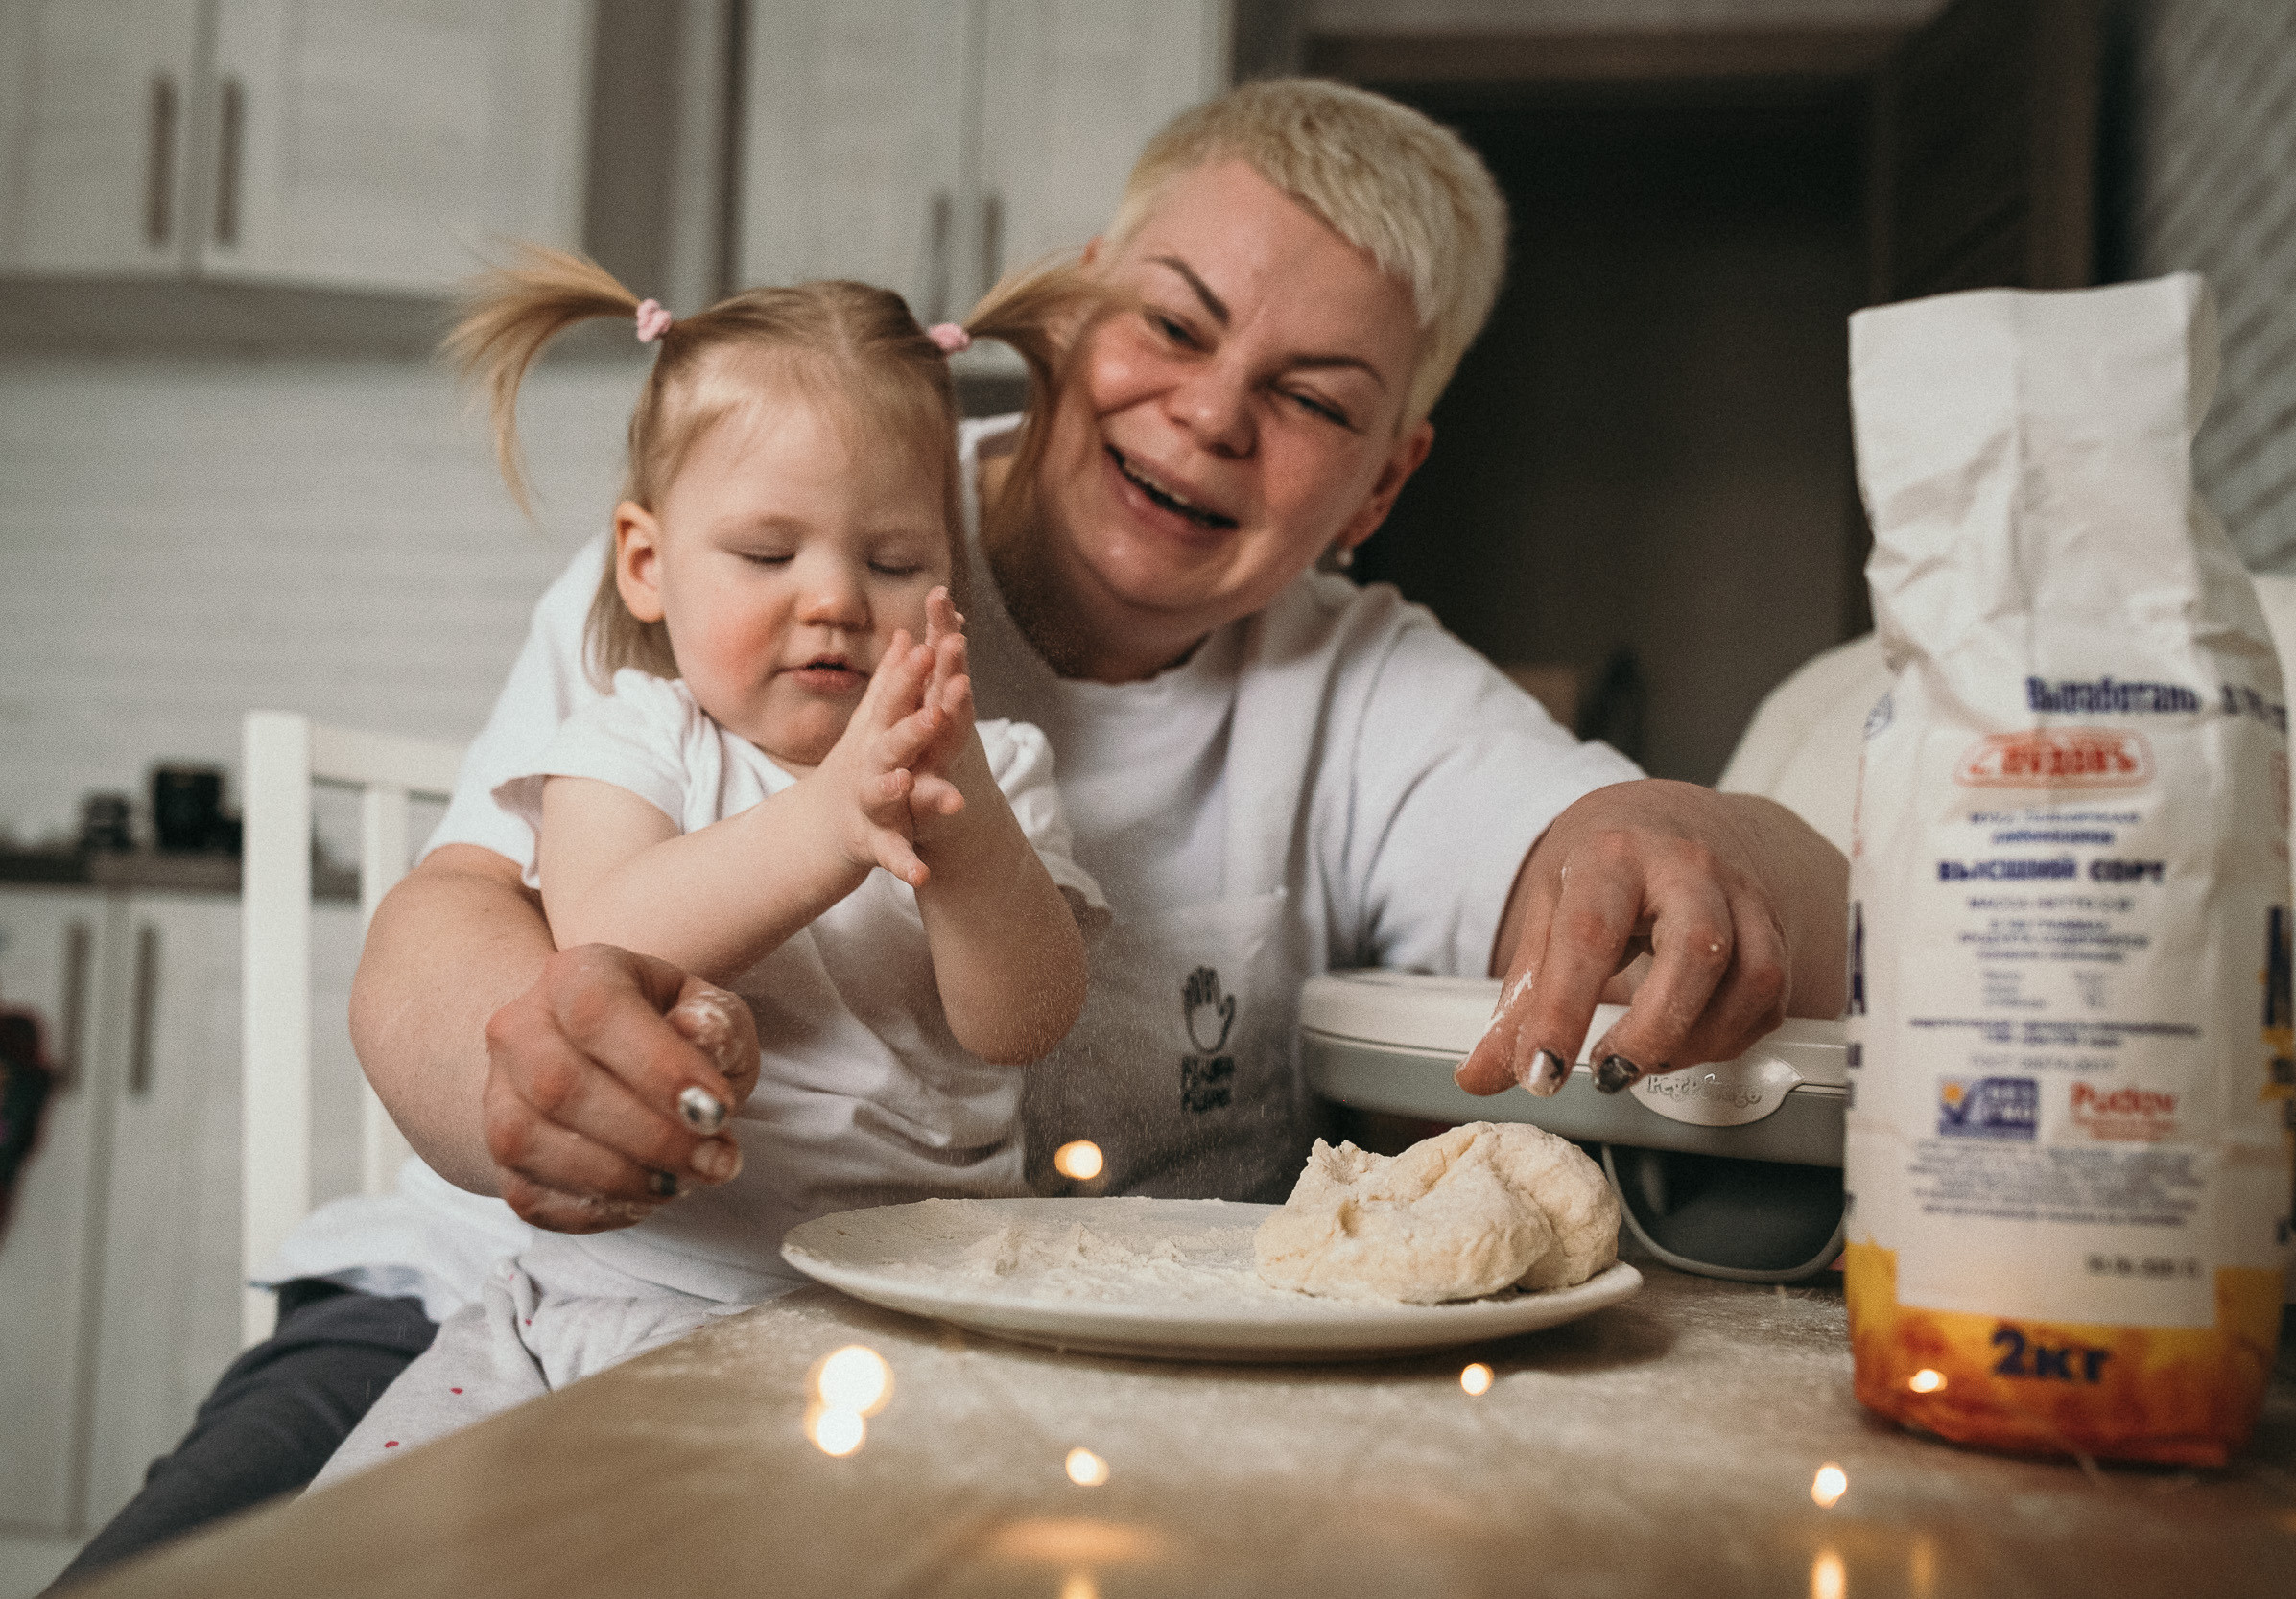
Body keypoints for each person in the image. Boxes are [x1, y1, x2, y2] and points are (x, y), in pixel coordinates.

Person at [57, 77, 1847, 1583]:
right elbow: (461, 910)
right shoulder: (782, 508)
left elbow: (1704, 861)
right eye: (1172, 325)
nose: (1214, 415)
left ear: (1382, 481)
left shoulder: (1367, 689)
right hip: (510, 1302)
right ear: (1068, 314)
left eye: (1313, 401)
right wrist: (509, 1072)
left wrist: (1697, 840)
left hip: (982, 1369)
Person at [301, 252, 1104, 1482]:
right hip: (624, 1300)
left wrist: (968, 833)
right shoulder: (633, 738)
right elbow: (608, 933)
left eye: (893, 561)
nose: (836, 596)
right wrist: (833, 817)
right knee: (388, 1535)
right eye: (768, 553)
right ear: (645, 563)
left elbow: (1023, 1020)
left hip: (921, 1319)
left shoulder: (994, 765)